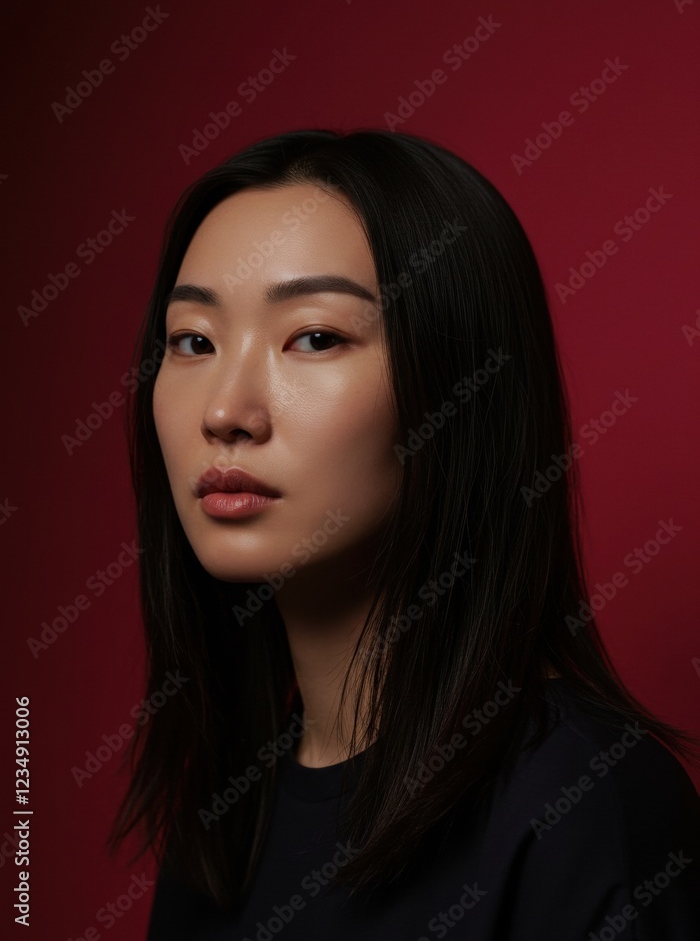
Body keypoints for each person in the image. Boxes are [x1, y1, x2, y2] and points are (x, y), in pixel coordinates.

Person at [109, 128, 700, 939]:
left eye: (314, 337)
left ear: (460, 386)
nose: (224, 412)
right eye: (193, 342)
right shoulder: (222, 825)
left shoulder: (584, 802)